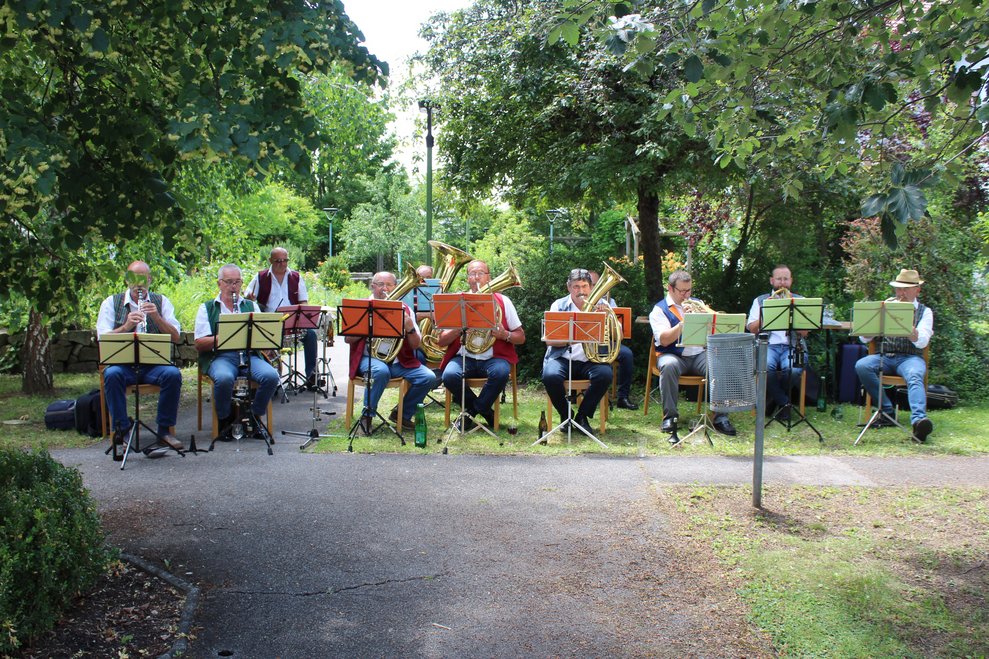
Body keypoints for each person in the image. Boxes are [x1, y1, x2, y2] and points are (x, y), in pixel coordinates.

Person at [97, 261, 184, 455]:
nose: (139, 285)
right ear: (127, 280)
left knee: (172, 374)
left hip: (153, 365)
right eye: (134, 279)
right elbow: (102, 339)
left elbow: (176, 337)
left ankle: (164, 431)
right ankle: (121, 432)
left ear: (150, 280)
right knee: (111, 375)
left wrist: (157, 318)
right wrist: (126, 327)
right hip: (124, 365)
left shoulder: (161, 301)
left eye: (143, 279)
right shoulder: (111, 302)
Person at [649, 269, 737, 439]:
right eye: (682, 291)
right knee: (668, 366)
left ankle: (720, 417)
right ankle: (670, 417)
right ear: (670, 288)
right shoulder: (659, 310)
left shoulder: (698, 303)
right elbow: (664, 340)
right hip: (673, 355)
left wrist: (707, 319)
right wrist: (683, 324)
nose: (686, 295)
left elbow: (716, 328)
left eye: (689, 290)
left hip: (698, 354)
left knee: (720, 364)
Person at [345, 271, 437, 433]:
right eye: (380, 284)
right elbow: (348, 339)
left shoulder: (405, 309)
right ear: (372, 286)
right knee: (381, 372)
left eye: (389, 285)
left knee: (428, 377)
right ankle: (367, 416)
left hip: (398, 361)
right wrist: (367, 324)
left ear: (396, 287)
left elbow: (416, 345)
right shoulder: (361, 306)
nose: (385, 289)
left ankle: (402, 414)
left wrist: (409, 329)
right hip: (369, 358)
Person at [438, 260, 525, 430]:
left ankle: (471, 412)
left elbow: (520, 337)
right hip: (465, 356)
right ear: (467, 278)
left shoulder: (503, 301)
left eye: (481, 273)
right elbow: (441, 341)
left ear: (488, 277)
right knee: (449, 376)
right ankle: (486, 413)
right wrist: (458, 330)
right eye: (472, 273)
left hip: (494, 357)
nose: (476, 277)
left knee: (500, 372)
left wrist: (504, 334)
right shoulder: (457, 302)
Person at [194, 264, 280, 435]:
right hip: (220, 357)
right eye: (228, 282)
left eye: (237, 282)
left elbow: (260, 336)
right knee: (224, 378)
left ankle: (254, 417)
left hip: (248, 356)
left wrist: (267, 341)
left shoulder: (250, 306)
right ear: (219, 283)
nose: (233, 287)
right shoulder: (207, 308)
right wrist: (226, 336)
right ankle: (225, 421)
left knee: (271, 376)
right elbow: (199, 343)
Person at [854, 268, 934, 442]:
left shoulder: (924, 312)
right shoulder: (885, 305)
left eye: (905, 289)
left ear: (917, 290)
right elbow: (864, 338)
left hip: (910, 358)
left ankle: (919, 421)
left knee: (914, 375)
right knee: (862, 365)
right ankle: (887, 410)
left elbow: (923, 342)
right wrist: (871, 327)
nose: (901, 292)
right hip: (885, 356)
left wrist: (909, 329)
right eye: (898, 288)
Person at [542, 268, 613, 431]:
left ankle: (582, 416)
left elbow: (619, 336)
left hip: (591, 359)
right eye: (576, 287)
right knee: (549, 376)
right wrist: (575, 338)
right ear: (569, 287)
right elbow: (550, 341)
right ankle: (565, 415)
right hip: (562, 358)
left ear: (591, 287)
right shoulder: (558, 305)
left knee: (605, 375)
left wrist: (607, 318)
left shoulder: (603, 304)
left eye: (584, 286)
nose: (581, 291)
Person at [245, 247, 318, 388]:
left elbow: (303, 301)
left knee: (311, 335)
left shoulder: (296, 277)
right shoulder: (261, 276)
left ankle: (311, 375)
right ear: (270, 260)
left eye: (285, 260)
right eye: (278, 260)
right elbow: (248, 292)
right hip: (270, 323)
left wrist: (300, 313)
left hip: (292, 322)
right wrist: (249, 295)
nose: (282, 264)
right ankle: (272, 378)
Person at [746, 264, 807, 420]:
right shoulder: (760, 301)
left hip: (792, 346)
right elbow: (751, 329)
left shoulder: (800, 301)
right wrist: (767, 313)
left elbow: (805, 333)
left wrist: (794, 316)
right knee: (765, 367)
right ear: (772, 281)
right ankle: (784, 403)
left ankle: (774, 401)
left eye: (785, 279)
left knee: (793, 369)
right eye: (779, 279)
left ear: (791, 281)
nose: (782, 283)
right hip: (768, 346)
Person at [589, 270, 638, 410]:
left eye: (596, 284)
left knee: (627, 354)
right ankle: (580, 394)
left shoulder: (609, 302)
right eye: (590, 284)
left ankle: (623, 397)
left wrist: (607, 317)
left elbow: (619, 336)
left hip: (605, 342)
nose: (593, 288)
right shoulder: (578, 302)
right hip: (585, 345)